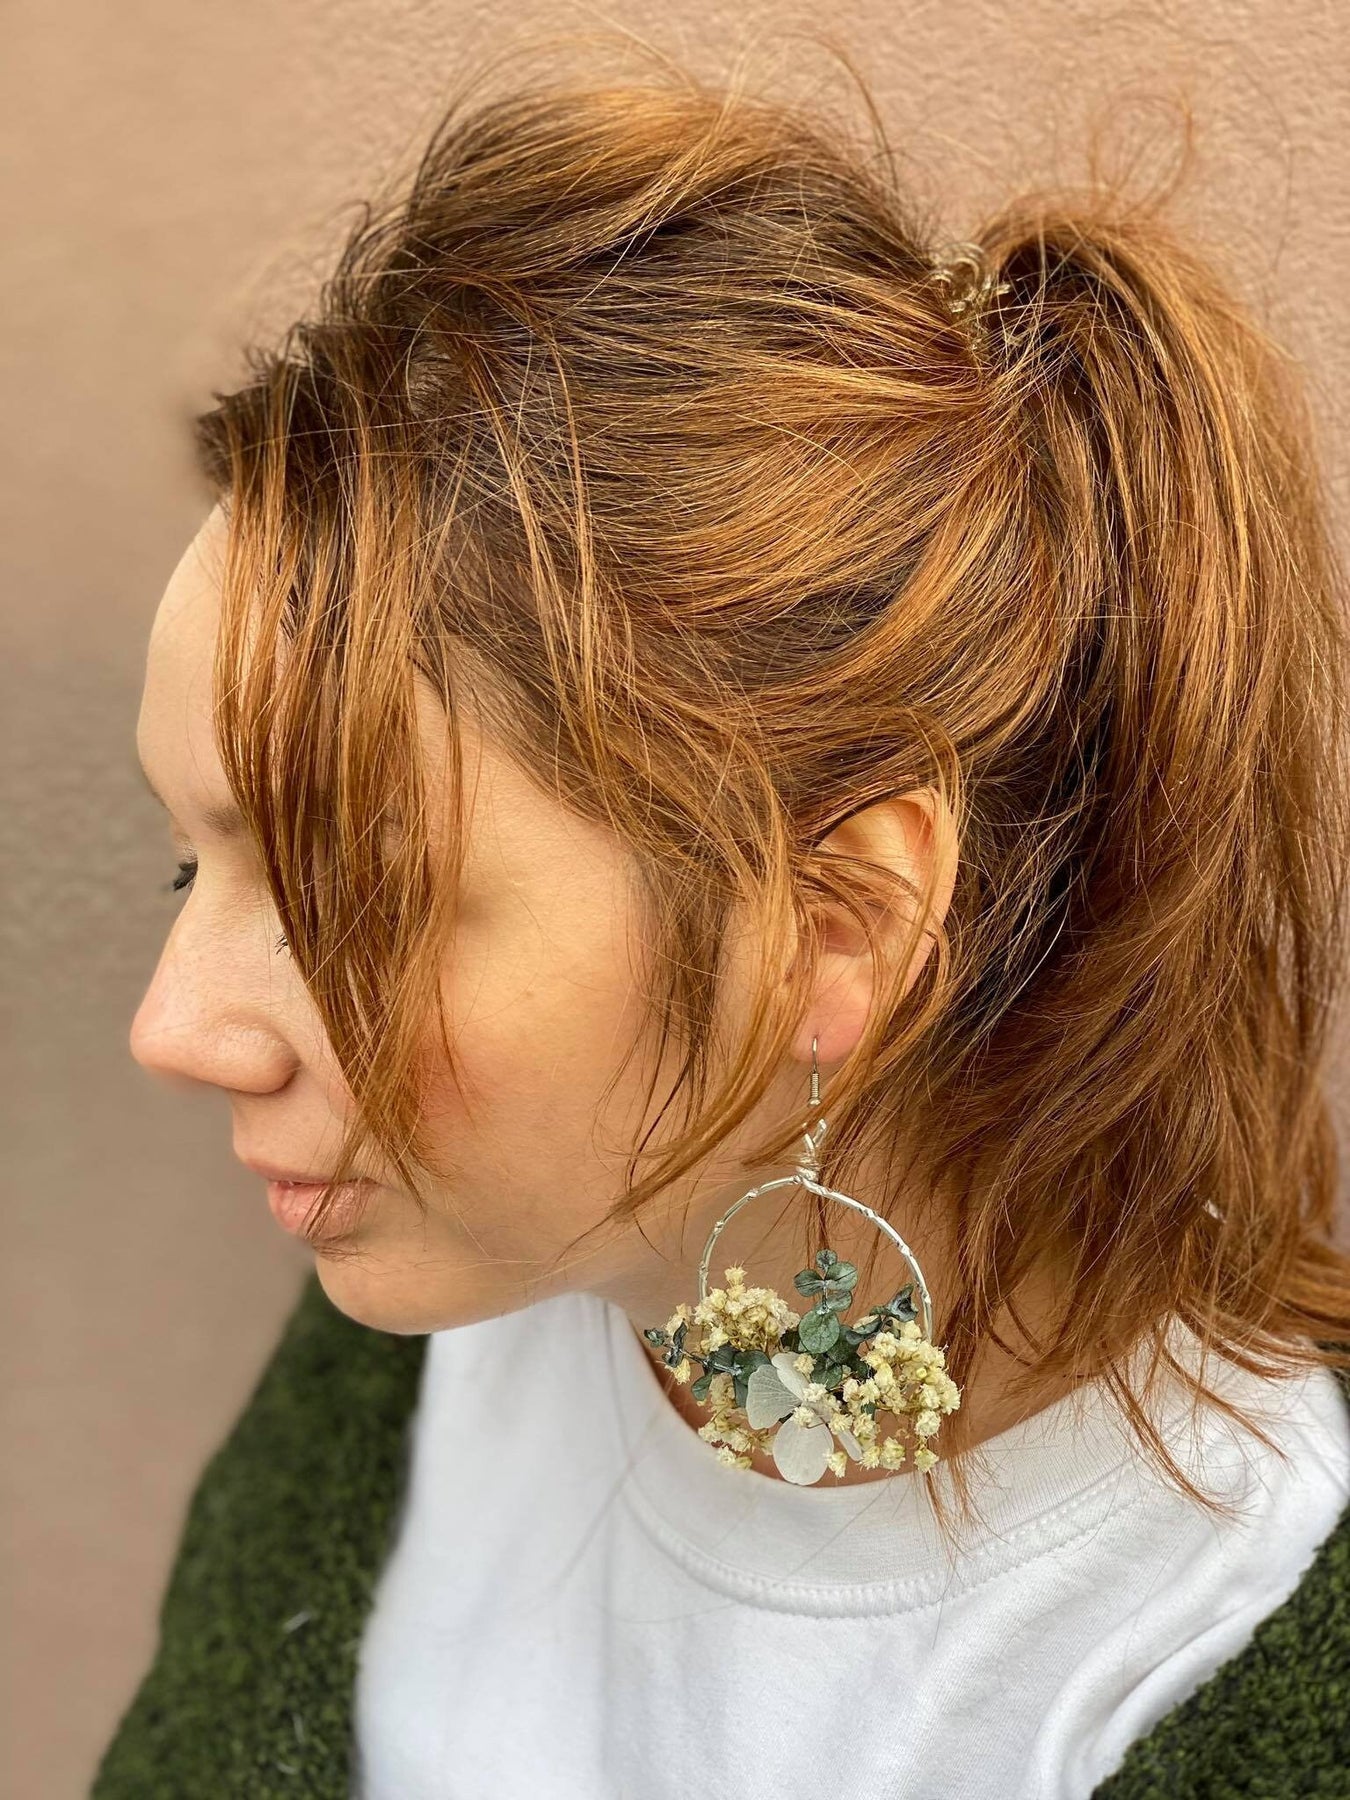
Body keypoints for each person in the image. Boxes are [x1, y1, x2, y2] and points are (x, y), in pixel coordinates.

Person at [93, 70, 1350, 1800]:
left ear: (837, 922)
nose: (172, 1029)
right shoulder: (449, 1316)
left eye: (350, 899)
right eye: (193, 870)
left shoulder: (1206, 1636)